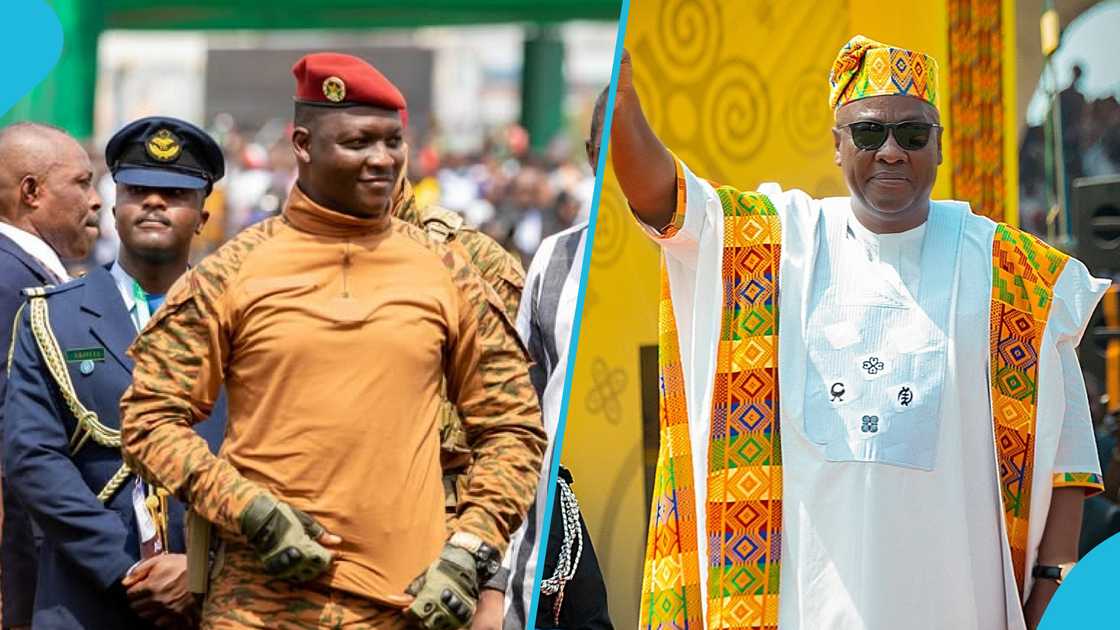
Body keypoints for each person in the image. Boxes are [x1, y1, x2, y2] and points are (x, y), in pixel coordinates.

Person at [611, 36, 1108, 630]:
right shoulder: (780, 244)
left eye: (913, 133)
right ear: (838, 144)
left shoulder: (1009, 271)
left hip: (957, 605)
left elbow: (1068, 456)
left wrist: (1052, 582)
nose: (891, 151)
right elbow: (663, 198)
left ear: (940, 146)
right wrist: (619, 103)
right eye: (870, 133)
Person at [119, 52, 546, 629]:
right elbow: (149, 419)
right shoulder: (236, 270)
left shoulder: (449, 269)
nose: (382, 160)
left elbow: (513, 428)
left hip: (408, 606)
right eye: (358, 143)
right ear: (303, 144)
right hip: (257, 609)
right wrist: (247, 510)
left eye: (393, 142)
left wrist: (471, 549)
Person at [3, 116, 228, 628]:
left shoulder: (238, 317)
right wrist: (129, 571)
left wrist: (199, 570)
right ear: (114, 205)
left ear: (203, 215)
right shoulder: (50, 315)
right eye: (138, 189)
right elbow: (33, 459)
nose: (154, 202)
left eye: (174, 193)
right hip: (87, 595)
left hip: (213, 597)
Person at [495, 86, 613, 630]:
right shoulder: (555, 259)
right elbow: (519, 414)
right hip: (558, 530)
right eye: (611, 143)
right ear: (591, 155)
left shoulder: (705, 253)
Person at [0, 122, 102, 628]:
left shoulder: (28, 274)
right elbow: (16, 447)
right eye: (83, 183)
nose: (98, 200)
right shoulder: (10, 280)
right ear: (32, 192)